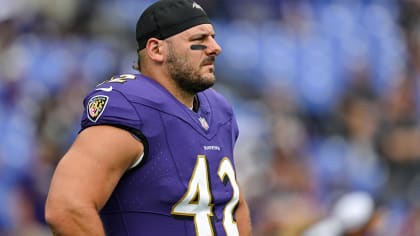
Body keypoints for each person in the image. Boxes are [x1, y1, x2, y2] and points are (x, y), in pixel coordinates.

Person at [44, 0, 252, 235]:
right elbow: (67, 207)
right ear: (156, 49)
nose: (215, 47)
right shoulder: (131, 106)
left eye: (212, 37)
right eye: (198, 41)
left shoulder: (219, 109)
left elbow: (233, 204)